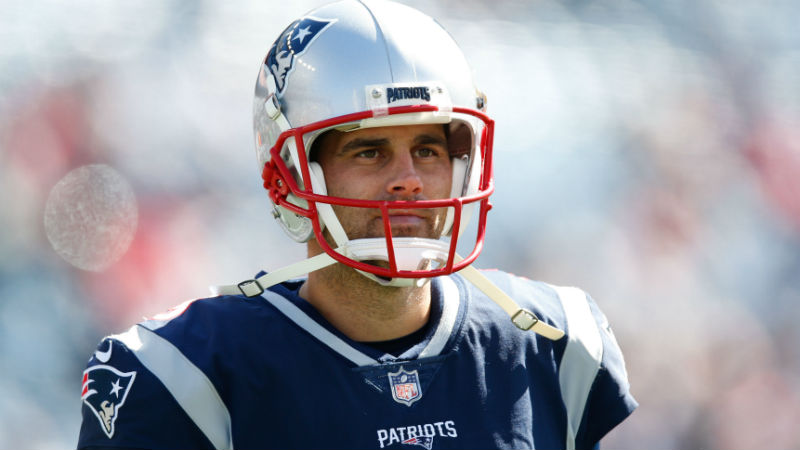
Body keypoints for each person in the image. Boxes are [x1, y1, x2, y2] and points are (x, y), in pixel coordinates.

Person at [77, 1, 637, 449]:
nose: (409, 180)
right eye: (370, 152)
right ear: (291, 173)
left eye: (428, 149)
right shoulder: (184, 372)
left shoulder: (553, 343)